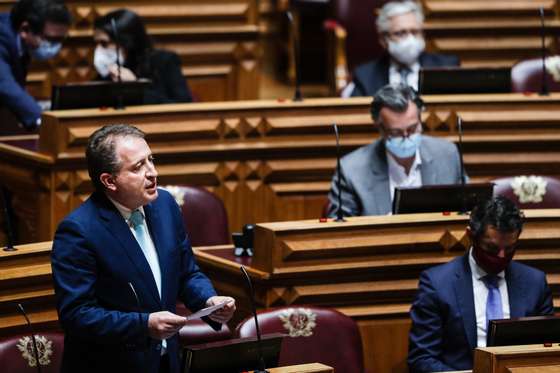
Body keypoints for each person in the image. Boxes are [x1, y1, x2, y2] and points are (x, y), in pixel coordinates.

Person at [51, 124, 235, 373]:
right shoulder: (79, 231)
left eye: (151, 160)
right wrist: (144, 325)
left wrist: (209, 301)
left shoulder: (166, 205)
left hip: (165, 361)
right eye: (138, 167)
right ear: (109, 181)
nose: (153, 173)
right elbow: (77, 315)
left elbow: (186, 272)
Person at [408, 196, 553, 372]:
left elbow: (547, 354)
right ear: (471, 236)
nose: (501, 256)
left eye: (509, 249)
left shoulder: (535, 283)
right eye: (491, 249)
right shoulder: (437, 284)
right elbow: (422, 359)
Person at [327, 84, 463, 217]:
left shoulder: (447, 155)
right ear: (380, 128)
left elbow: (467, 210)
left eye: (412, 129)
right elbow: (339, 233)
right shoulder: (351, 170)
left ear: (420, 120)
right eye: (396, 132)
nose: (406, 137)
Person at [349, 0, 458, 97]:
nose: (410, 39)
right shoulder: (365, 76)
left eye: (415, 32)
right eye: (400, 33)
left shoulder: (447, 67)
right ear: (383, 39)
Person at [93, 9, 193, 104]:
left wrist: (135, 88)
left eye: (104, 43)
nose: (99, 50)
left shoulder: (164, 61)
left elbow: (184, 104)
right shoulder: (109, 72)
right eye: (96, 43)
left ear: (125, 41)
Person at [0, 0, 70, 130]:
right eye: (51, 39)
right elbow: (4, 84)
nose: (56, 46)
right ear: (25, 29)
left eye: (61, 40)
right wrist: (44, 121)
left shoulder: (18, 39)